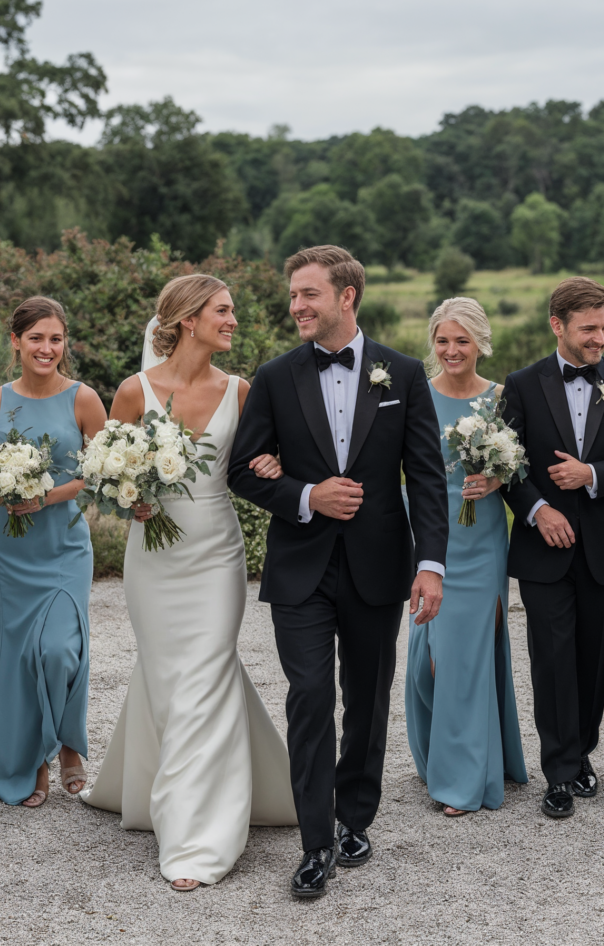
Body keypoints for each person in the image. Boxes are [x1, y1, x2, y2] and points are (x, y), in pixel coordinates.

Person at [229, 246, 448, 898]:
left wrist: (430, 565)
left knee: (367, 700)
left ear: (346, 297)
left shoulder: (403, 375)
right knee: (311, 697)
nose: (296, 306)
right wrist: (304, 495)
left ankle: (356, 817)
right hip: (301, 568)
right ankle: (315, 841)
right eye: (293, 295)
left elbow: (429, 479)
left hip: (379, 567)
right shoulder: (273, 376)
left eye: (308, 294)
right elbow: (241, 468)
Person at [83, 274, 297, 891]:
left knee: (205, 673)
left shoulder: (242, 389)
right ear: (186, 320)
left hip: (216, 555)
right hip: (153, 561)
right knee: (170, 678)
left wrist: (275, 465)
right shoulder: (133, 390)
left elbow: (263, 462)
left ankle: (196, 838)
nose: (234, 320)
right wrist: (131, 500)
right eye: (223, 311)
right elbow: (102, 474)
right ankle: (170, 788)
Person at [499, 276, 604, 820]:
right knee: (551, 659)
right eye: (589, 329)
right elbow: (506, 464)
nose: (600, 338)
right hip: (543, 549)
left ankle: (583, 748)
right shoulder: (520, 385)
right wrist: (538, 510)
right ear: (557, 325)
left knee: (593, 659)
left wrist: (591, 472)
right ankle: (560, 772)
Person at [0, 297, 107, 808]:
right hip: (10, 549)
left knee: (59, 650)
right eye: (35, 338)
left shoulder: (84, 399)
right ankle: (31, 760)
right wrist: (4, 488)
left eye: (55, 339)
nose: (46, 348)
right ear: (16, 341)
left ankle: (69, 742)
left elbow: (99, 474)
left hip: (63, 546)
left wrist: (44, 495)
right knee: (15, 661)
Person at [404, 298, 527, 814]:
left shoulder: (502, 397)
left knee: (466, 657)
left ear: (480, 342)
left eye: (462, 341)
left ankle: (460, 778)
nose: (452, 350)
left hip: (482, 543)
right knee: (425, 661)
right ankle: (446, 750)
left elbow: (522, 466)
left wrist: (498, 476)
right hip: (430, 538)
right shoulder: (417, 395)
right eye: (443, 340)